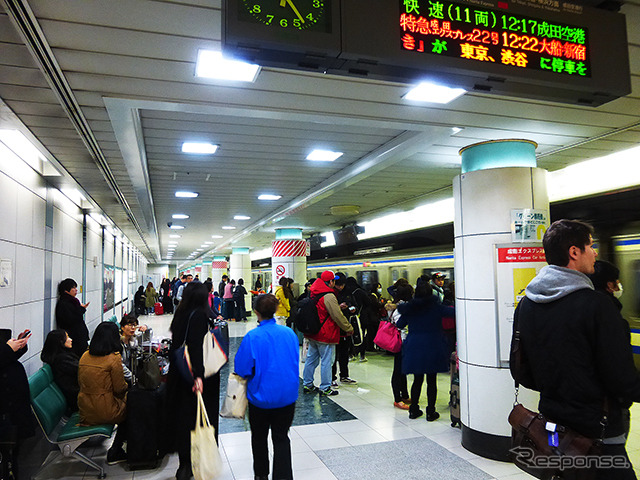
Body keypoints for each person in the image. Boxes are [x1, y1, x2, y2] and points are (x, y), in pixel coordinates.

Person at [511, 219, 640, 479]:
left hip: (553, 423)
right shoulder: (598, 306)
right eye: (590, 247)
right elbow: (621, 379)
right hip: (597, 430)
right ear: (573, 252)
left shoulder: (526, 305)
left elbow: (522, 370)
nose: (595, 253)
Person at [235, 294, 299, 480]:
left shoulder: (253, 337)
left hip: (260, 399)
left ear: (256, 312)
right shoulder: (289, 333)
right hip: (287, 396)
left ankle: (261, 475)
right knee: (281, 437)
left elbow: (242, 369)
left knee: (259, 437)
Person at [167, 282, 220, 480]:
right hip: (194, 376)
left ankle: (184, 465)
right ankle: (194, 463)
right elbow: (196, 348)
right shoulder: (198, 316)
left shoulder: (181, 313)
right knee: (196, 418)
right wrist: (198, 376)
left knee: (183, 418)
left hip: (179, 372)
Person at [396, 281, 453, 421]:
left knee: (417, 379)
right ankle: (430, 412)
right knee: (432, 381)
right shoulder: (437, 308)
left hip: (415, 347)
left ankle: (414, 410)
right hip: (433, 346)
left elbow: (399, 324)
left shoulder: (410, 308)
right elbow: (453, 312)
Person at [78, 321, 128, 464]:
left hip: (85, 408)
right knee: (134, 405)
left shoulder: (84, 356)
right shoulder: (113, 358)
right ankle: (116, 450)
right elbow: (120, 389)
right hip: (104, 410)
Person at [302, 270, 354, 396]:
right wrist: (348, 328)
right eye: (333, 281)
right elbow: (337, 315)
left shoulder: (314, 291)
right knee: (327, 361)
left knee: (311, 359)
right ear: (330, 282)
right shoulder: (329, 296)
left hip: (313, 331)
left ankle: (307, 384)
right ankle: (325, 387)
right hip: (326, 333)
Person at [0, 329, 34, 480]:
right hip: (5, 414)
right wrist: (8, 349)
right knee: (6, 455)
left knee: (13, 453)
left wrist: (17, 346)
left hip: (13, 412)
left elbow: (5, 360)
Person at [386, 281, 412, 410]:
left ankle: (404, 394)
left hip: (404, 342)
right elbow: (401, 325)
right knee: (398, 370)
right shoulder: (399, 308)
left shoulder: (398, 306)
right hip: (400, 342)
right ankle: (397, 399)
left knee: (403, 370)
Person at [41, 329, 80, 412]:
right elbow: (82, 370)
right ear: (61, 342)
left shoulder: (61, 357)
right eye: (67, 337)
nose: (71, 339)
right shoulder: (62, 360)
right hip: (75, 398)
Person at [331, 274, 357, 386]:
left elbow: (355, 305)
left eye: (342, 285)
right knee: (333, 355)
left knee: (344, 354)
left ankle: (344, 375)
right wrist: (338, 307)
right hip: (334, 327)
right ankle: (332, 377)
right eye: (338, 285)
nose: (340, 287)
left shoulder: (349, 292)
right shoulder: (331, 293)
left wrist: (352, 309)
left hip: (345, 327)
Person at [55, 278, 90, 358]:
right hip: (74, 338)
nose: (76, 290)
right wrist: (81, 309)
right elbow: (72, 319)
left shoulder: (73, 301)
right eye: (73, 288)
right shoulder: (64, 303)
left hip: (79, 337)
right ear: (66, 290)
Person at [119, 314, 148, 383]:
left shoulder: (134, 339)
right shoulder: (118, 343)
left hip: (133, 372)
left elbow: (147, 338)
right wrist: (132, 378)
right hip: (123, 377)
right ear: (122, 327)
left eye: (134, 325)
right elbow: (120, 365)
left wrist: (146, 328)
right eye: (129, 325)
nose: (133, 328)